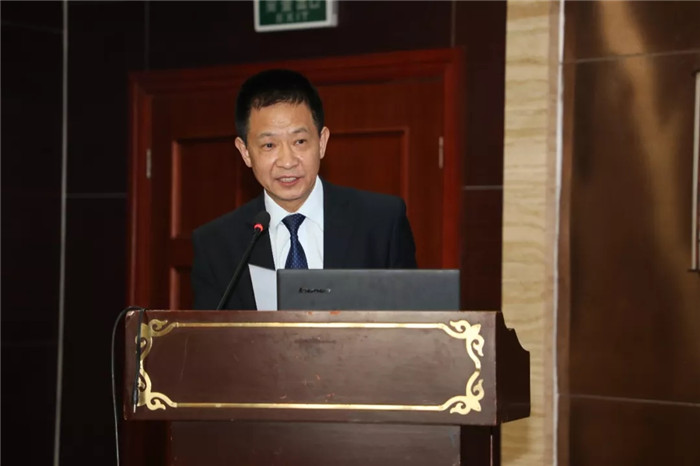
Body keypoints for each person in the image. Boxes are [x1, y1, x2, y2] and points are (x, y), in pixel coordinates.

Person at [191, 69, 417, 310]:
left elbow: (412, 320)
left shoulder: (381, 223)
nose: (287, 162)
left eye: (299, 141)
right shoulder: (216, 244)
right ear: (245, 152)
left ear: (322, 142)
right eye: (269, 145)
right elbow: (209, 332)